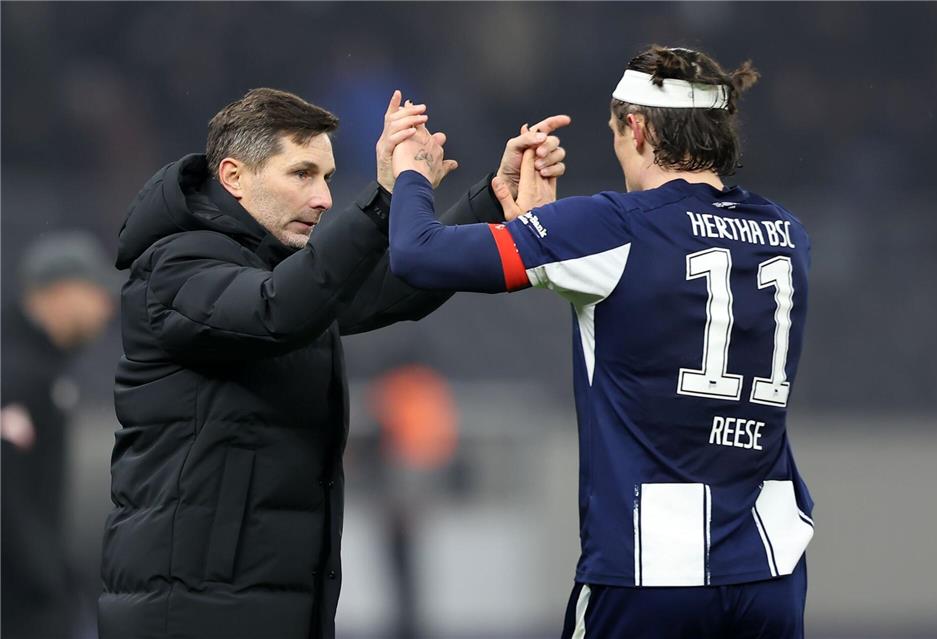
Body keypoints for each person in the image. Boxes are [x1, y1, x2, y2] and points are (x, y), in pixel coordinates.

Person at [97, 87, 569, 639]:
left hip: (274, 600)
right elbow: (276, 308)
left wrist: (493, 197)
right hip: (193, 608)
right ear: (233, 177)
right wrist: (383, 200)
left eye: (326, 176)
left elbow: (390, 289)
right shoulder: (176, 265)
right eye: (302, 174)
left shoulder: (282, 268)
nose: (323, 197)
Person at [389, 45, 814, 638]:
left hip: (649, 572)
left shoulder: (613, 225)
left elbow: (416, 254)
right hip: (770, 570)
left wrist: (409, 170)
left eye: (616, 132)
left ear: (637, 128)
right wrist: (545, 241)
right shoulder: (787, 234)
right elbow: (666, 308)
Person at [2, 230, 117, 639]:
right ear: (62, 291)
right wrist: (45, 580)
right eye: (96, 292)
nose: (106, 308)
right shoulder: (14, 372)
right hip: (18, 606)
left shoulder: (42, 368)